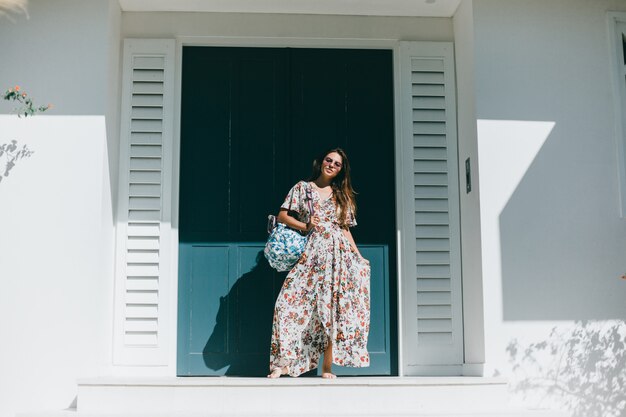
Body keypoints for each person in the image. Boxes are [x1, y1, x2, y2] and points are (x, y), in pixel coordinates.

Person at [267, 148, 371, 379]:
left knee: (332, 311)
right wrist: (305, 225)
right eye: (328, 160)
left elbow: (344, 228)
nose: (332, 165)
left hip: (338, 258)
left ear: (341, 170)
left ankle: (326, 368)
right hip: (312, 254)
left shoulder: (342, 195)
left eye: (337, 163)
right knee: (286, 306)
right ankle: (283, 364)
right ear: (321, 162)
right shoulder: (302, 188)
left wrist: (358, 256)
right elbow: (283, 215)